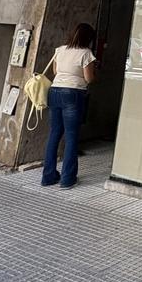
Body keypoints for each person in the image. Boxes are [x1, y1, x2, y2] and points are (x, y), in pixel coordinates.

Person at [41, 22, 97, 190]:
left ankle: (48, 176)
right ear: (88, 39)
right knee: (71, 136)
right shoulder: (86, 53)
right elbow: (89, 78)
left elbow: (56, 71)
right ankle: (67, 179)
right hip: (73, 94)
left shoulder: (60, 50)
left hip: (55, 92)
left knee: (54, 134)